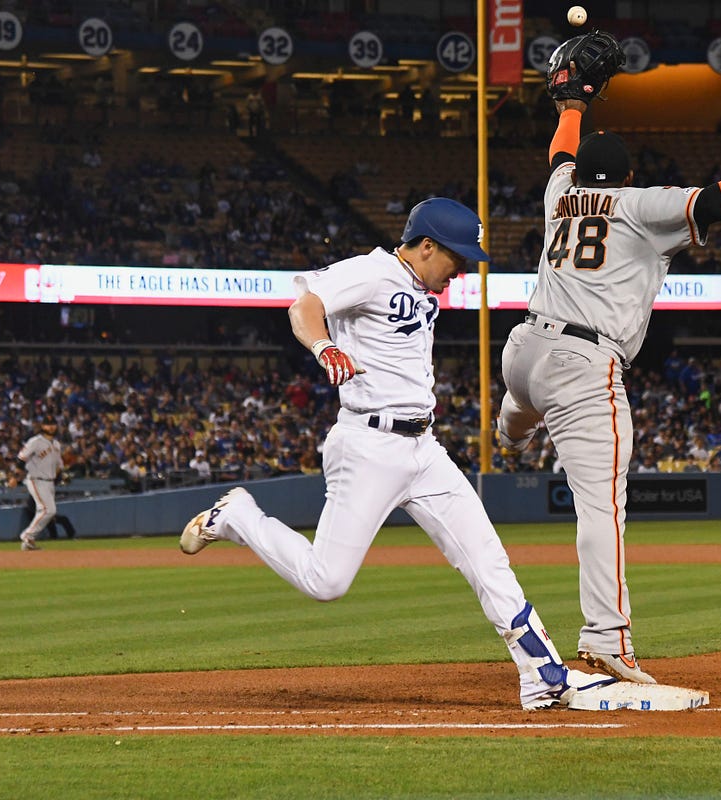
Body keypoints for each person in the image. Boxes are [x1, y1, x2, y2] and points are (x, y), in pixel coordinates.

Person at [179, 197, 612, 710]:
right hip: (368, 444)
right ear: (426, 246)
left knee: (486, 558)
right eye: (456, 257)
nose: (460, 269)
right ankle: (237, 515)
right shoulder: (374, 271)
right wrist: (325, 348)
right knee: (326, 581)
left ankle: (543, 676)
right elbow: (305, 306)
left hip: (423, 447)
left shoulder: (418, 284)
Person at [497, 92, 721, 684]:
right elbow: (719, 200)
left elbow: (558, 153)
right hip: (582, 362)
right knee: (602, 506)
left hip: (524, 347)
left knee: (523, 400)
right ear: (626, 176)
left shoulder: (559, 193)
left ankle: (512, 424)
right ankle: (605, 639)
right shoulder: (641, 203)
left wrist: (570, 101)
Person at [18, 418, 65, 551]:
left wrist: (58, 475)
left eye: (53, 424)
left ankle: (29, 543)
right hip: (36, 479)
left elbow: (59, 465)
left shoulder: (56, 444)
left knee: (46, 511)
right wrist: (15, 477)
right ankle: (27, 535)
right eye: (48, 424)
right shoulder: (35, 441)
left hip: (49, 482)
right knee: (48, 510)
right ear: (42, 426)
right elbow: (21, 458)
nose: (51, 427)